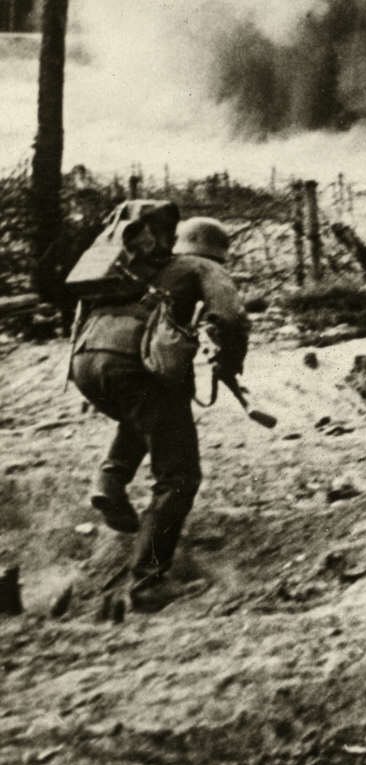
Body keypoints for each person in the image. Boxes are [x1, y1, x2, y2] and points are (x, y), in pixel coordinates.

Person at [69, 206, 249, 612]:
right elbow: (232, 317)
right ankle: (148, 583)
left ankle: (110, 480)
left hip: (85, 363)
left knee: (148, 413)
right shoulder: (203, 268)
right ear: (217, 251)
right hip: (134, 367)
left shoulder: (137, 267)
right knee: (180, 477)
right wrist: (231, 363)